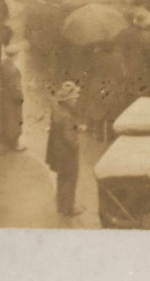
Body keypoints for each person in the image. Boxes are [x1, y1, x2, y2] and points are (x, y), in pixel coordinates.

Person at [46, 82, 83, 217]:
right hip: (68, 153)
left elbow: (60, 129)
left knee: (62, 178)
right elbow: (69, 138)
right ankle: (69, 208)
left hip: (57, 151)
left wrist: (75, 127)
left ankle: (61, 205)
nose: (76, 100)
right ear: (67, 101)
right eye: (74, 98)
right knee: (71, 178)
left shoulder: (57, 110)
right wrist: (76, 142)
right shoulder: (67, 116)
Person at [1, 44, 25, 151]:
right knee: (15, 121)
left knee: (5, 119)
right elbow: (16, 87)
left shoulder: (2, 65)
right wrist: (20, 98)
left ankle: (6, 141)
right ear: (14, 56)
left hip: (3, 97)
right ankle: (15, 144)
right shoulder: (13, 70)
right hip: (12, 100)